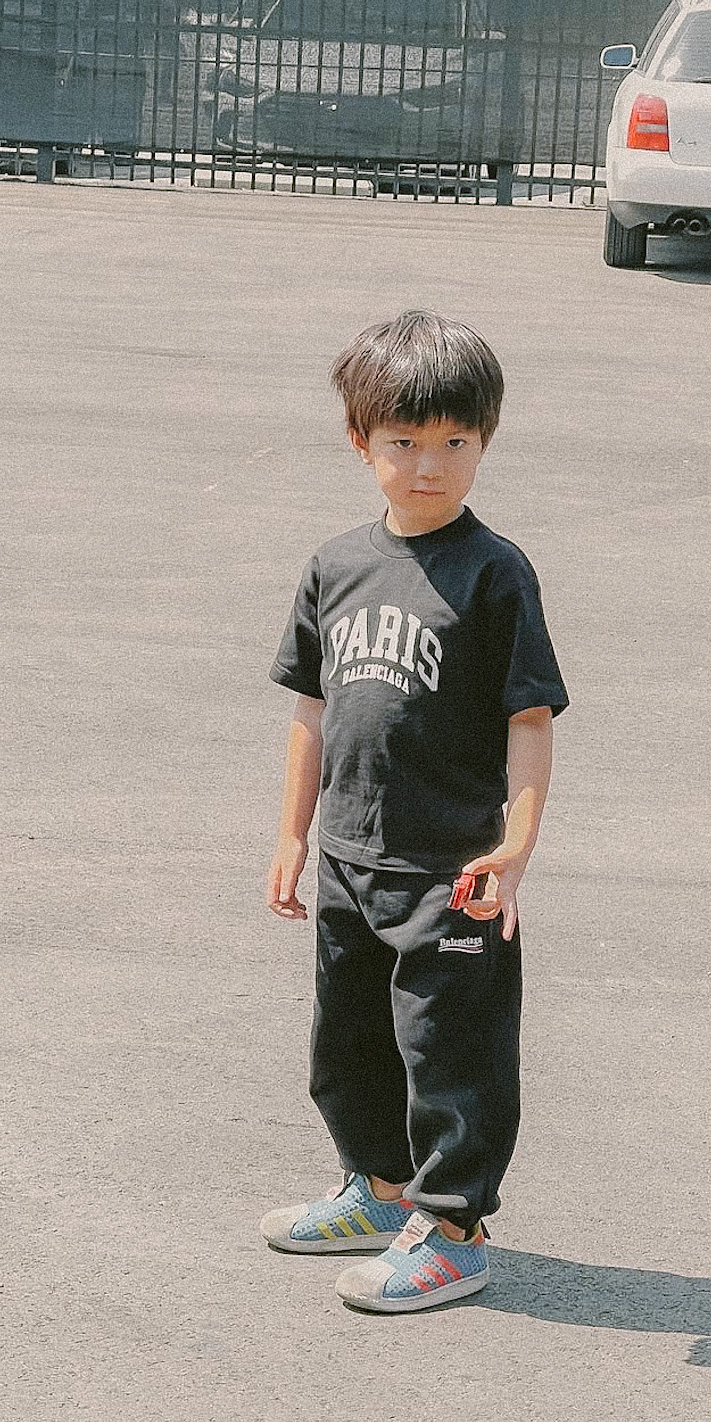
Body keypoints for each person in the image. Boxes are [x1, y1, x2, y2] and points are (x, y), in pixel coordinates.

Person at [262, 309, 568, 1314]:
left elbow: (529, 719)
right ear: (361, 440)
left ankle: (454, 1232)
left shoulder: (495, 574)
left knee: (451, 1057)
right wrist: (292, 835)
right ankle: (379, 1190)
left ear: (485, 441)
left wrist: (516, 845)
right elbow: (312, 712)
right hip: (350, 858)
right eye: (404, 441)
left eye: (455, 443)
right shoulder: (335, 566)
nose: (429, 466)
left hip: (452, 873)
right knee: (348, 1045)